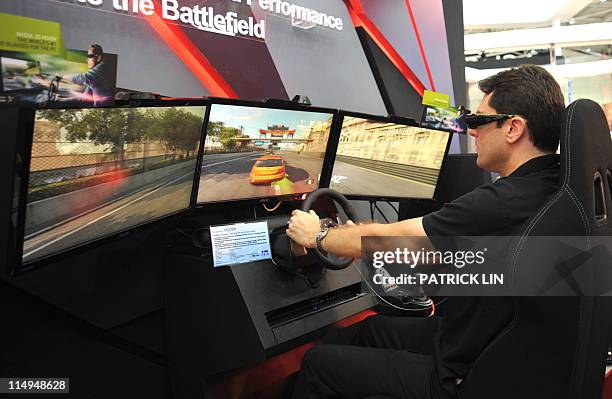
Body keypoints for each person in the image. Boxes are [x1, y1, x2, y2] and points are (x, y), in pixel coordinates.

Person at [286, 64, 565, 399]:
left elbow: (392, 242)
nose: (471, 132)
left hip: (461, 378)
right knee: (365, 332)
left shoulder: (504, 202)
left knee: (319, 362)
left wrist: (317, 235)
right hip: (497, 352)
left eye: (477, 121)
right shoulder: (557, 186)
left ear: (513, 128)